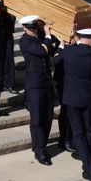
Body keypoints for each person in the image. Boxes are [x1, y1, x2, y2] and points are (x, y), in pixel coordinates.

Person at [52, 28, 91, 181]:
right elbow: (83, 49)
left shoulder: (68, 52)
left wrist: (62, 45)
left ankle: (89, 168)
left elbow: (54, 61)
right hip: (88, 98)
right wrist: (75, 39)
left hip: (72, 99)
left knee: (78, 133)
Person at [19, 15, 58, 166]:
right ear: (24, 28)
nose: (34, 30)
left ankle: (43, 144)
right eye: (31, 28)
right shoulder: (24, 41)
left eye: (35, 27)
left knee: (48, 117)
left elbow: (49, 49)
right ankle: (39, 150)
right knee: (37, 119)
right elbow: (42, 52)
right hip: (34, 85)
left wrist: (57, 42)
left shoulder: (39, 37)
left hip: (47, 82)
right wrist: (48, 36)